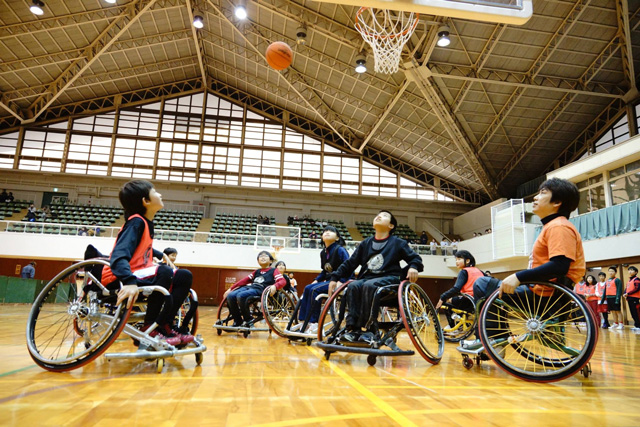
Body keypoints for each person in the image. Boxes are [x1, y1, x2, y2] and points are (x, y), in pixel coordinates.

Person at [468, 178, 585, 347]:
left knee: (482, 284)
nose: (535, 198)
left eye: (543, 193)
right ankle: (494, 338)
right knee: (490, 286)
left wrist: (518, 277)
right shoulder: (553, 226)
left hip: (544, 298)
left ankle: (490, 340)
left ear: (557, 202)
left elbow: (560, 265)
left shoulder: (559, 226)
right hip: (545, 295)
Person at [100, 180, 194, 347]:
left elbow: (143, 251)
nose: (160, 194)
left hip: (138, 273)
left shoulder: (145, 223)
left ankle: (165, 324)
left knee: (184, 276)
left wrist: (159, 254)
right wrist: (128, 281)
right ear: (146, 201)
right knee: (164, 271)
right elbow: (118, 255)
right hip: (119, 276)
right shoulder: (136, 222)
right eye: (155, 192)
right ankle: (149, 326)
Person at [328, 210, 423, 343]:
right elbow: (350, 263)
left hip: (389, 280)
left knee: (369, 285)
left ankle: (370, 329)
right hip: (368, 279)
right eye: (377, 215)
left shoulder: (397, 242)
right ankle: (353, 329)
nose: (379, 216)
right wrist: (334, 277)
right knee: (354, 285)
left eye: (384, 216)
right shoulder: (365, 243)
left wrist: (413, 266)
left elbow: (416, 259)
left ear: (391, 226)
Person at [297, 226, 351, 331]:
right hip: (329, 281)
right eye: (325, 231)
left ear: (337, 238)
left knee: (314, 290)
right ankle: (303, 321)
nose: (327, 232)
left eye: (331, 231)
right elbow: (324, 271)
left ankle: (314, 322)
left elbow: (349, 267)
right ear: (321, 237)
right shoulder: (323, 253)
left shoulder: (340, 250)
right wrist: (317, 279)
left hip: (341, 281)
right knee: (308, 287)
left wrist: (342, 281)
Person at [223, 251, 286, 327]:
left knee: (241, 295)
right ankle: (238, 321)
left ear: (271, 261)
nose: (262, 257)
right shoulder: (257, 271)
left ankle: (248, 320)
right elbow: (244, 280)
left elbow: (283, 281)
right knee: (230, 295)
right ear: (258, 261)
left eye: (265, 256)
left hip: (261, 290)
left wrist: (275, 286)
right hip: (251, 288)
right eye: (260, 256)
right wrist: (230, 289)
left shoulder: (273, 270)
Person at [435, 250, 485, 329]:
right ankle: (460, 321)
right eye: (456, 260)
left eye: (459, 259)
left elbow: (456, 288)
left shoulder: (464, 271)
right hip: (480, 301)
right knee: (454, 300)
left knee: (446, 303)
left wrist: (443, 297)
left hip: (468, 300)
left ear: (467, 260)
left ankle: (453, 326)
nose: (456, 262)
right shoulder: (480, 271)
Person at [623, 266, 640, 331]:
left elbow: (637, 288)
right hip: (630, 299)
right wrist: (625, 293)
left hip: (634, 299)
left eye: (632, 270)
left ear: (636, 272)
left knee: (637, 312)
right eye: (629, 270)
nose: (630, 271)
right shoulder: (629, 280)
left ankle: (639, 326)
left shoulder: (636, 279)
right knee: (633, 313)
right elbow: (626, 289)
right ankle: (636, 325)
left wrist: (628, 293)